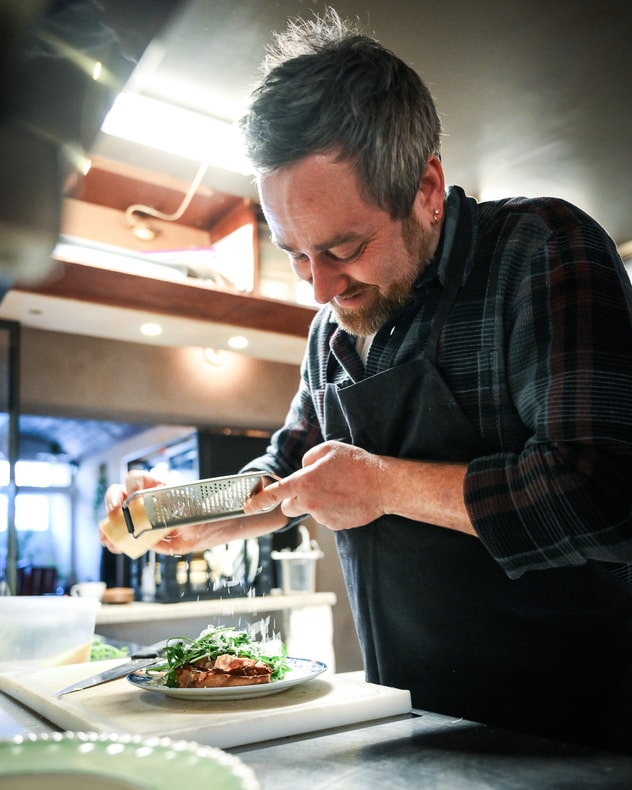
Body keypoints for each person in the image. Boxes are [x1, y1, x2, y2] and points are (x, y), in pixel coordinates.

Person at [102, 10, 632, 752]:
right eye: (292, 254)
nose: (319, 288)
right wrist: (189, 510)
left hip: (581, 733)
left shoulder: (541, 251)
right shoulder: (331, 333)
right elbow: (288, 474)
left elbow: (606, 496)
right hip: (408, 717)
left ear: (426, 188)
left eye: (343, 247)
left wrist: (383, 485)